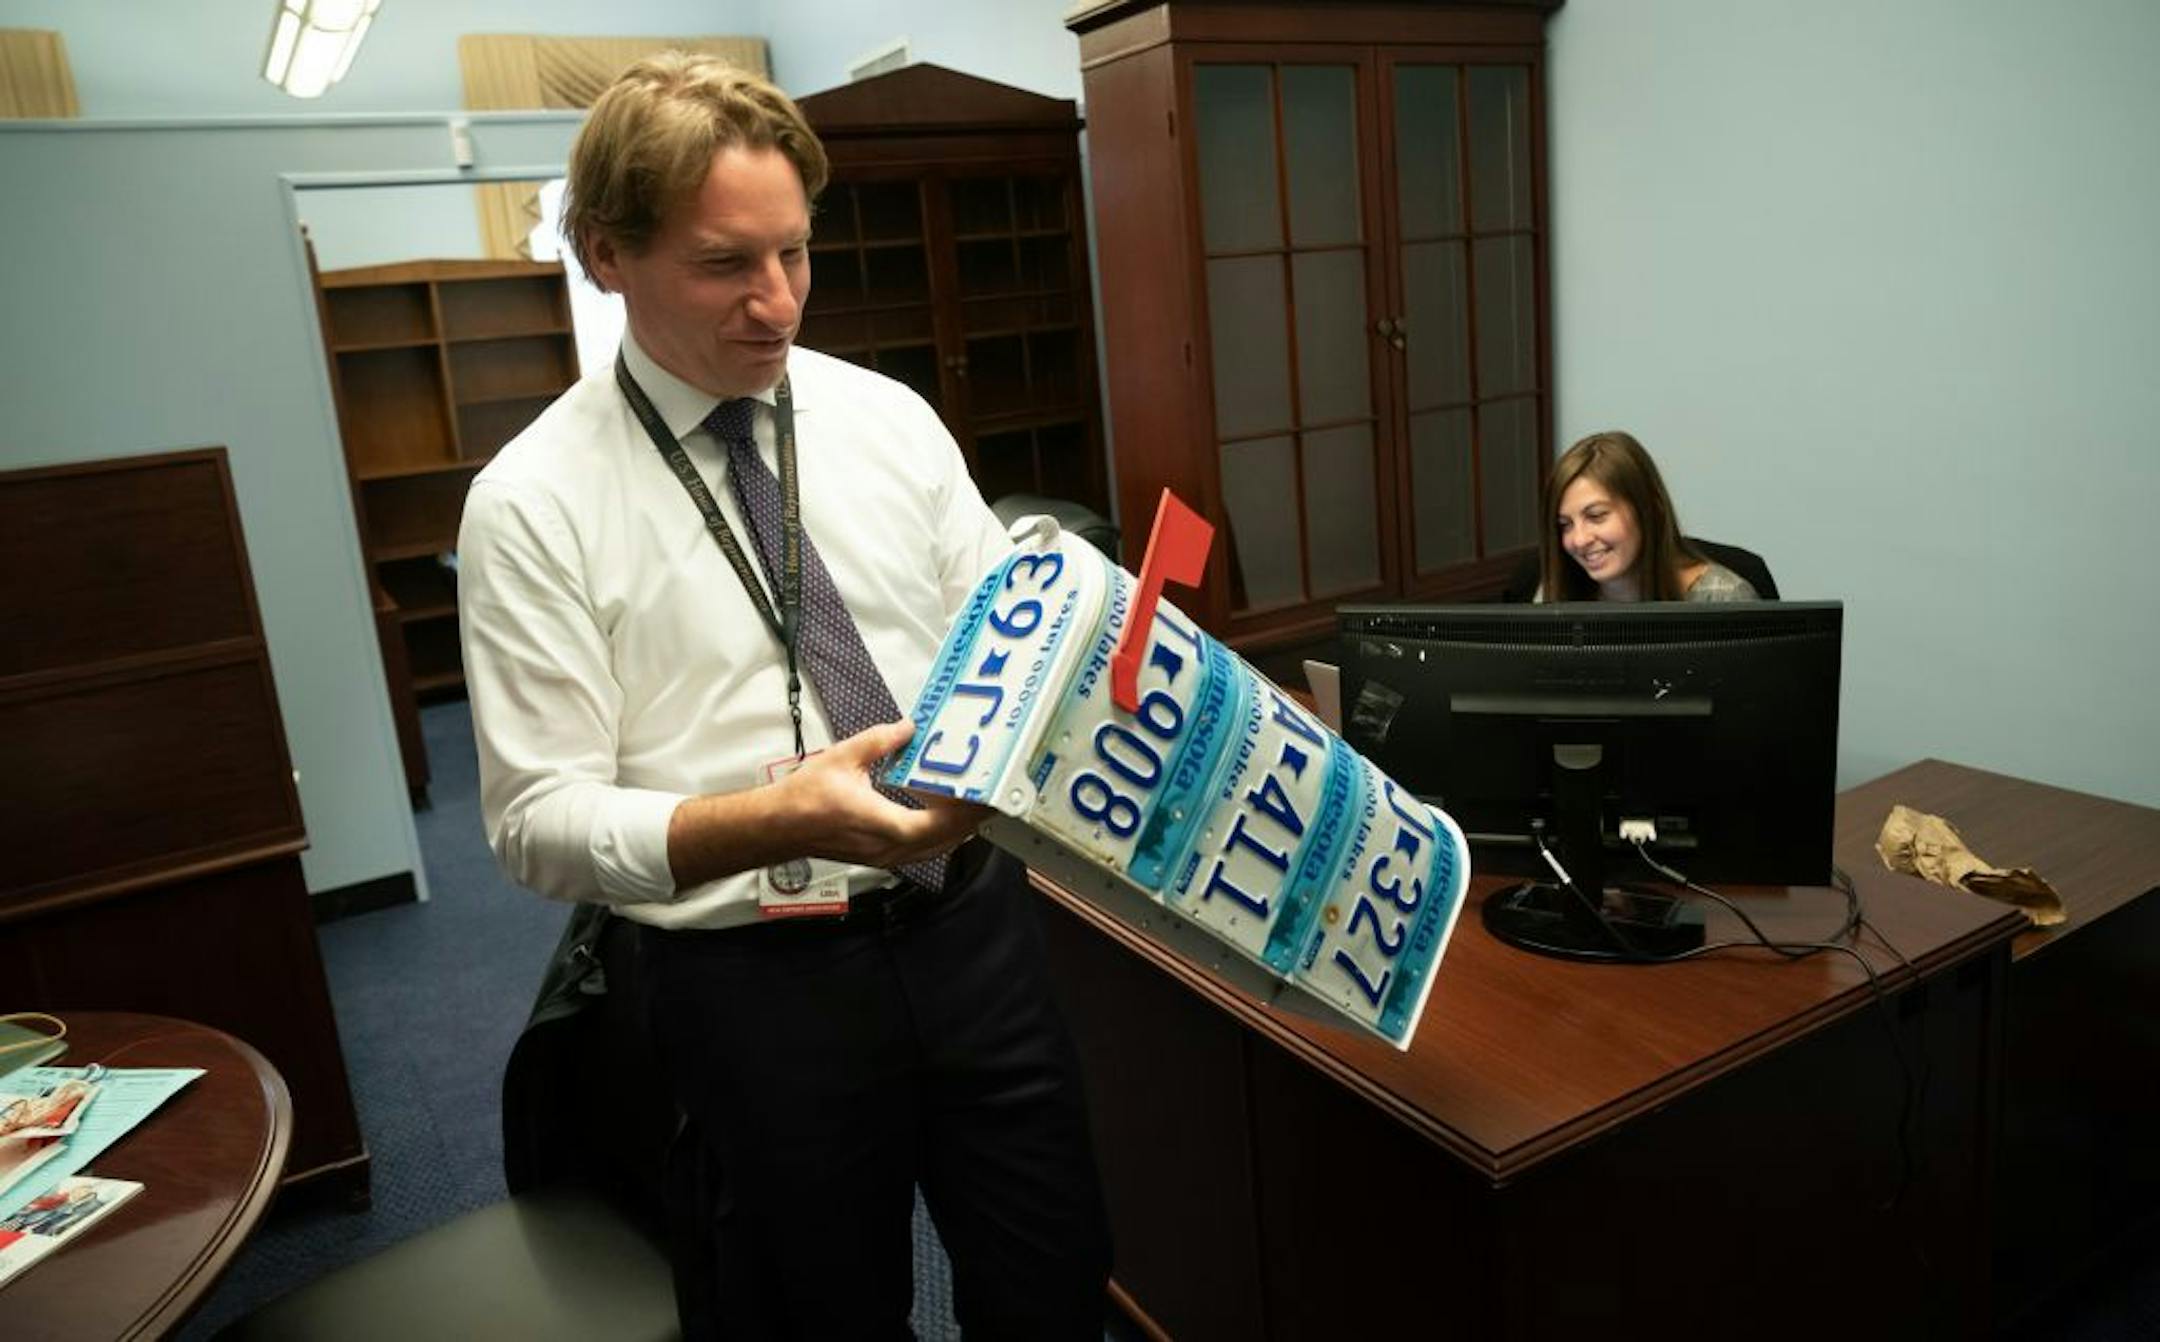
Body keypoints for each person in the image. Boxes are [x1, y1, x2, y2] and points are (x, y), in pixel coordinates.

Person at [456, 52, 1110, 1339]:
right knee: (821, 1315)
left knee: (1054, 1280)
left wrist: (1088, 627)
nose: (778, 304)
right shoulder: (531, 506)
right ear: (605, 255)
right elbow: (537, 819)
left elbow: (1000, 634)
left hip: (972, 924)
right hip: (755, 985)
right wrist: (775, 820)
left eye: (796, 254)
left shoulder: (890, 420)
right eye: (724, 265)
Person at [1537, 430, 1759, 603]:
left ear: (1648, 509)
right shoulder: (1555, 594)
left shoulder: (1723, 598)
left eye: (1596, 516)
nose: (1579, 539)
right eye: (1565, 525)